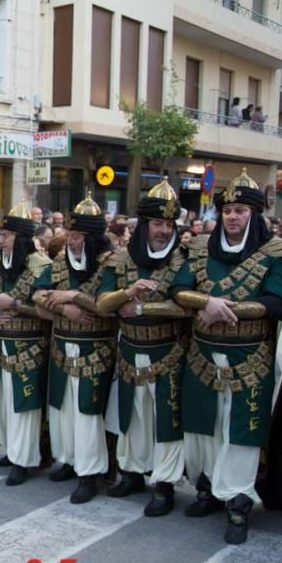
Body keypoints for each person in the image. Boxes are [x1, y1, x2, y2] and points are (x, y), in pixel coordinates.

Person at [170, 169, 282, 544]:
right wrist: (204, 302)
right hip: (203, 353)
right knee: (204, 426)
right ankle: (208, 488)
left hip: (251, 355)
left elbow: (277, 303)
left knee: (241, 432)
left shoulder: (275, 253)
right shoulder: (197, 248)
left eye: (241, 210)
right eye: (228, 210)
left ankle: (238, 501)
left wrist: (225, 310)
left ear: (253, 215)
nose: (233, 216)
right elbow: (179, 288)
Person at [95, 178, 190, 516]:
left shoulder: (184, 258)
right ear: (144, 225)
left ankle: (164, 484)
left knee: (165, 418)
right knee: (132, 416)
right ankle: (132, 472)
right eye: (157, 223)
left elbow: (187, 306)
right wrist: (127, 292)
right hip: (130, 350)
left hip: (170, 352)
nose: (163, 230)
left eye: (168, 224)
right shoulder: (120, 258)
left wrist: (139, 308)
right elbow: (102, 304)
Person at [33, 195, 117, 504]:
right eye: (69, 235)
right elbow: (39, 295)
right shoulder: (59, 260)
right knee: (63, 409)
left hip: (95, 348)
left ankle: (90, 473)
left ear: (92, 237)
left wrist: (71, 295)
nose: (72, 241)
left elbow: (106, 306)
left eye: (78, 236)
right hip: (62, 343)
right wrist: (64, 309)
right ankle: (68, 460)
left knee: (87, 414)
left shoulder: (111, 262)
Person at [0, 204, 52, 486]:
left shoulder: (43, 267)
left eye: (7, 236)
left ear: (21, 238)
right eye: (0, 236)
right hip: (0, 345)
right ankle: (12, 451)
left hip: (30, 346)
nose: (0, 242)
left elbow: (48, 313)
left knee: (25, 407)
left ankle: (24, 460)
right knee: (3, 404)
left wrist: (13, 305)